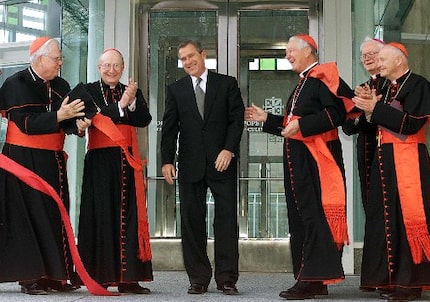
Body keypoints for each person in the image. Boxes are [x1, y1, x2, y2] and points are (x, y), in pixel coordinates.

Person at [245, 34, 354, 300]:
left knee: (314, 219)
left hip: (317, 162)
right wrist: (268, 119)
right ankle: (315, 279)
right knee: (302, 219)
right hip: (300, 161)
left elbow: (336, 114)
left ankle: (310, 280)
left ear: (309, 51)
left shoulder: (322, 78)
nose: (287, 56)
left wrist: (303, 125)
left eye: (291, 51)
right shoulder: (303, 83)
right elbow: (291, 125)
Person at [0, 37, 88, 295]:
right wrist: (60, 116)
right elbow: (26, 123)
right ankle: (31, 278)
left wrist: (78, 126)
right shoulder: (15, 84)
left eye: (61, 58)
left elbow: (68, 121)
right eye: (57, 58)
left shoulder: (60, 84)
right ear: (39, 58)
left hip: (53, 162)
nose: (61, 63)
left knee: (54, 216)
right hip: (22, 161)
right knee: (27, 218)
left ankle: (56, 276)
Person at [160, 39, 244, 295]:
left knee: (226, 222)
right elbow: (170, 128)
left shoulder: (227, 84)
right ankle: (198, 278)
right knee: (191, 222)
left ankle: (227, 278)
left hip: (222, 163)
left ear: (203, 54)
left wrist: (228, 149)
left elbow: (236, 120)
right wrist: (166, 161)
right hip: (190, 164)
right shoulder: (176, 89)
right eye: (183, 59)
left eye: (191, 56)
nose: (187, 62)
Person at [352, 42, 430, 301]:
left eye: (383, 59)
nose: (379, 63)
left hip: (408, 160)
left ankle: (410, 285)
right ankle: (390, 280)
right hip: (384, 160)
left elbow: (411, 124)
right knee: (385, 218)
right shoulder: (385, 89)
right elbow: (371, 122)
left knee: (407, 218)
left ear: (399, 60)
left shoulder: (418, 84)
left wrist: (375, 109)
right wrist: (368, 109)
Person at [76, 48, 153, 294]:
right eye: (107, 65)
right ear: (99, 67)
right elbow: (97, 117)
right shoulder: (86, 91)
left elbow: (144, 119)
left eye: (117, 66)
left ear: (123, 68)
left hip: (127, 163)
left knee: (129, 216)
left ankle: (129, 279)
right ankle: (99, 277)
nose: (112, 70)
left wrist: (129, 106)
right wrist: (121, 105)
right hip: (99, 163)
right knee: (101, 215)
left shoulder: (132, 91)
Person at [343, 37, 387, 215]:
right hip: (366, 149)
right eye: (363, 56)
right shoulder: (361, 88)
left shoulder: (392, 85)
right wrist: (363, 114)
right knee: (370, 202)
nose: (367, 58)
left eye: (371, 54)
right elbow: (348, 126)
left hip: (387, 147)